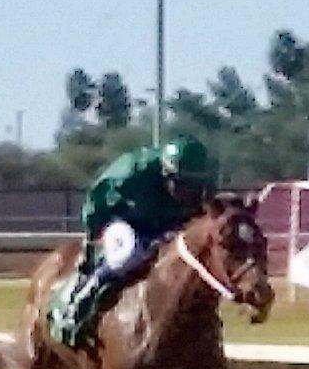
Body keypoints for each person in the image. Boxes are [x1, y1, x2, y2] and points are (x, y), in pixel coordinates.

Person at [51, 137, 215, 346]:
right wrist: (91, 237)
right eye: (181, 184)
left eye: (194, 186)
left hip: (168, 225)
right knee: (127, 255)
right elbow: (97, 197)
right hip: (125, 222)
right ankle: (81, 303)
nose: (188, 193)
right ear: (165, 172)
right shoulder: (134, 170)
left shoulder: (204, 184)